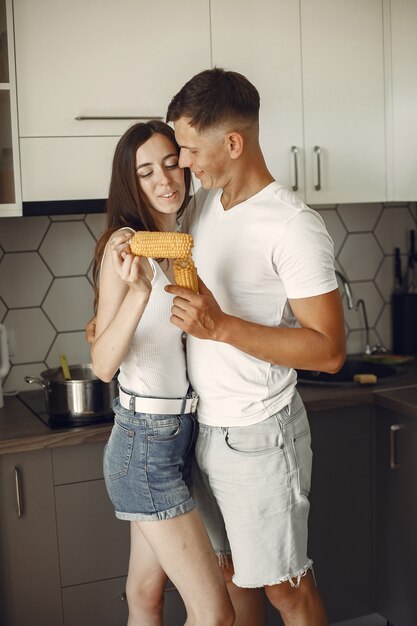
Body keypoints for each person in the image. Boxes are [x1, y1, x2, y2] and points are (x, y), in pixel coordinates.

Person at [163, 68, 346, 626]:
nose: (184, 163)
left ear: (233, 143)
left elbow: (330, 350)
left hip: (261, 436)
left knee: (286, 590)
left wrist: (221, 327)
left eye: (190, 149)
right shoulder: (203, 209)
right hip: (205, 428)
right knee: (231, 580)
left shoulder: (294, 226)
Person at [90, 119, 234, 626]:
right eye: (146, 171)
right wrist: (140, 294)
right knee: (215, 614)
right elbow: (104, 363)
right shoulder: (124, 247)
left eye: (172, 163)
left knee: (145, 596)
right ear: (130, 182)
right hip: (143, 443)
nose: (164, 179)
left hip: (179, 435)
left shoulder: (179, 241)